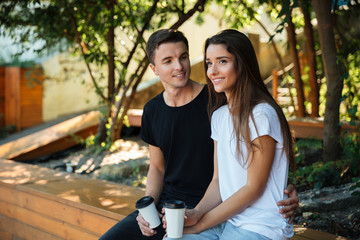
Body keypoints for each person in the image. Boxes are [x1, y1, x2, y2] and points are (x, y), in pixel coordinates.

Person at [99, 29, 298, 240]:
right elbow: (158, 167)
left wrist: (285, 188)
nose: (179, 66)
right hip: (176, 208)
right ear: (154, 68)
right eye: (168, 61)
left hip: (221, 211)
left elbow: (257, 173)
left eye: (183, 57)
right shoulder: (159, 110)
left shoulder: (217, 99)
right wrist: (147, 206)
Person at [165, 29, 295, 240]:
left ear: (241, 64)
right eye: (209, 63)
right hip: (226, 221)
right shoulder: (220, 116)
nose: (213, 71)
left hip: (260, 227)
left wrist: (200, 226)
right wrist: (196, 214)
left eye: (222, 61)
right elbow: (218, 181)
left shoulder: (261, 114)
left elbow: (254, 188)